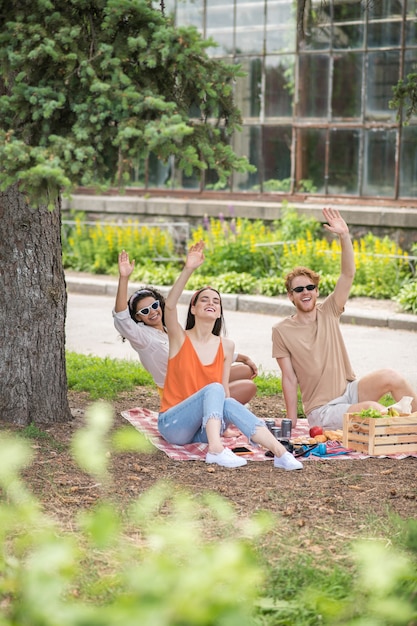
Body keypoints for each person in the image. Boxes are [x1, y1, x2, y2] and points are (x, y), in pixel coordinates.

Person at [158, 240, 303, 470]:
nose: (211, 303)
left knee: (228, 400)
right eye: (203, 299)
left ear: (219, 313)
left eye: (216, 301)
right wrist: (188, 269)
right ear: (193, 309)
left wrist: (231, 418)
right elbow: (169, 307)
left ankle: (280, 452)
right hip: (173, 425)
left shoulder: (226, 345)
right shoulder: (180, 338)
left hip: (202, 431)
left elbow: (224, 390)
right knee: (213, 389)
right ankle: (216, 450)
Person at [272, 207, 417, 431]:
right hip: (322, 410)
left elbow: (347, 274)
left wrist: (344, 236)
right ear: (291, 295)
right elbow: (289, 380)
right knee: (374, 409)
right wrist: (290, 424)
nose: (305, 292)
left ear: (317, 291)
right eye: (298, 289)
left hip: (349, 391)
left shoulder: (328, 310)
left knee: (392, 376)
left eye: (310, 287)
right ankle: (402, 429)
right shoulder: (281, 330)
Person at [113, 250, 258, 404]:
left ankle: (217, 407)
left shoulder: (169, 329)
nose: (152, 312)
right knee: (247, 387)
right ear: (137, 317)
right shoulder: (142, 338)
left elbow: (201, 349)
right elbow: (122, 318)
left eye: (154, 305)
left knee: (245, 370)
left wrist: (243, 358)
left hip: (196, 380)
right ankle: (211, 414)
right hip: (180, 395)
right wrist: (124, 278)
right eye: (144, 311)